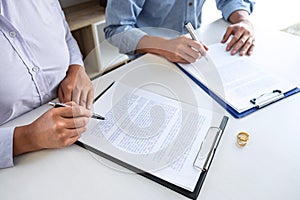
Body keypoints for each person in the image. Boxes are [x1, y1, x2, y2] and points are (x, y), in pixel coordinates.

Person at [0, 0, 94, 168]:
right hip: (20, 168)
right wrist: (26, 138)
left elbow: (65, 35)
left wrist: (76, 67)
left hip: (74, 149)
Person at [104, 0, 255, 63]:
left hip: (193, 57)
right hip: (151, 61)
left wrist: (243, 19)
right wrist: (163, 45)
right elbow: (116, 29)